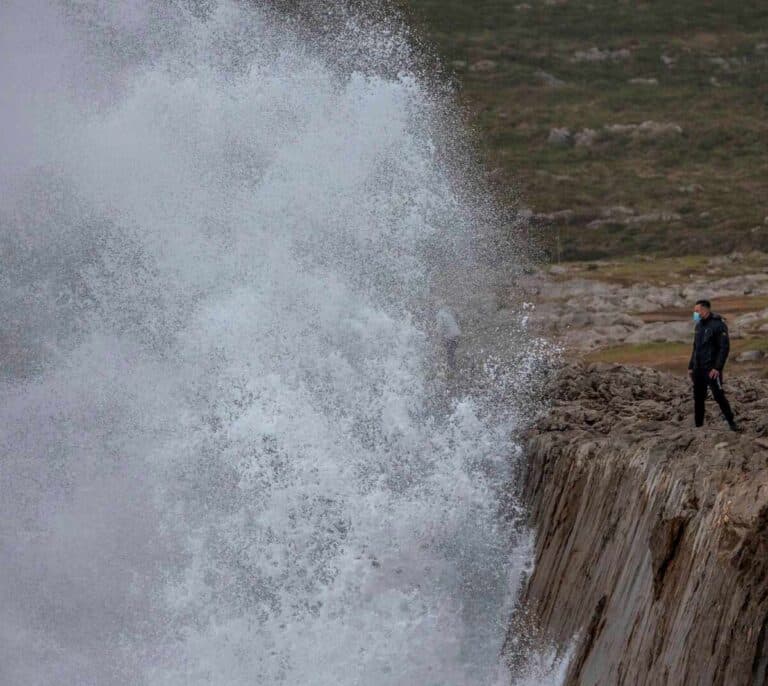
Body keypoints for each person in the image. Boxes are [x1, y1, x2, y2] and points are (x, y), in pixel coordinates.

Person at [688, 299, 739, 431]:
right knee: (698, 398)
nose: (695, 313)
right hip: (698, 368)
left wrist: (717, 367)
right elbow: (695, 348)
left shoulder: (718, 325)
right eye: (695, 311)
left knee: (718, 395)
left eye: (697, 311)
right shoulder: (698, 326)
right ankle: (698, 426)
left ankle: (731, 422)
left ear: (705, 310)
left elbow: (724, 348)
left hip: (711, 369)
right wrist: (691, 366)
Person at [436, 306, 461, 370]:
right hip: (456, 334)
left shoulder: (440, 315)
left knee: (449, 353)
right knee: (452, 352)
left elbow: (440, 328)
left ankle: (451, 368)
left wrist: (439, 337)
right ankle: (453, 366)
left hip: (450, 336)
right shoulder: (447, 313)